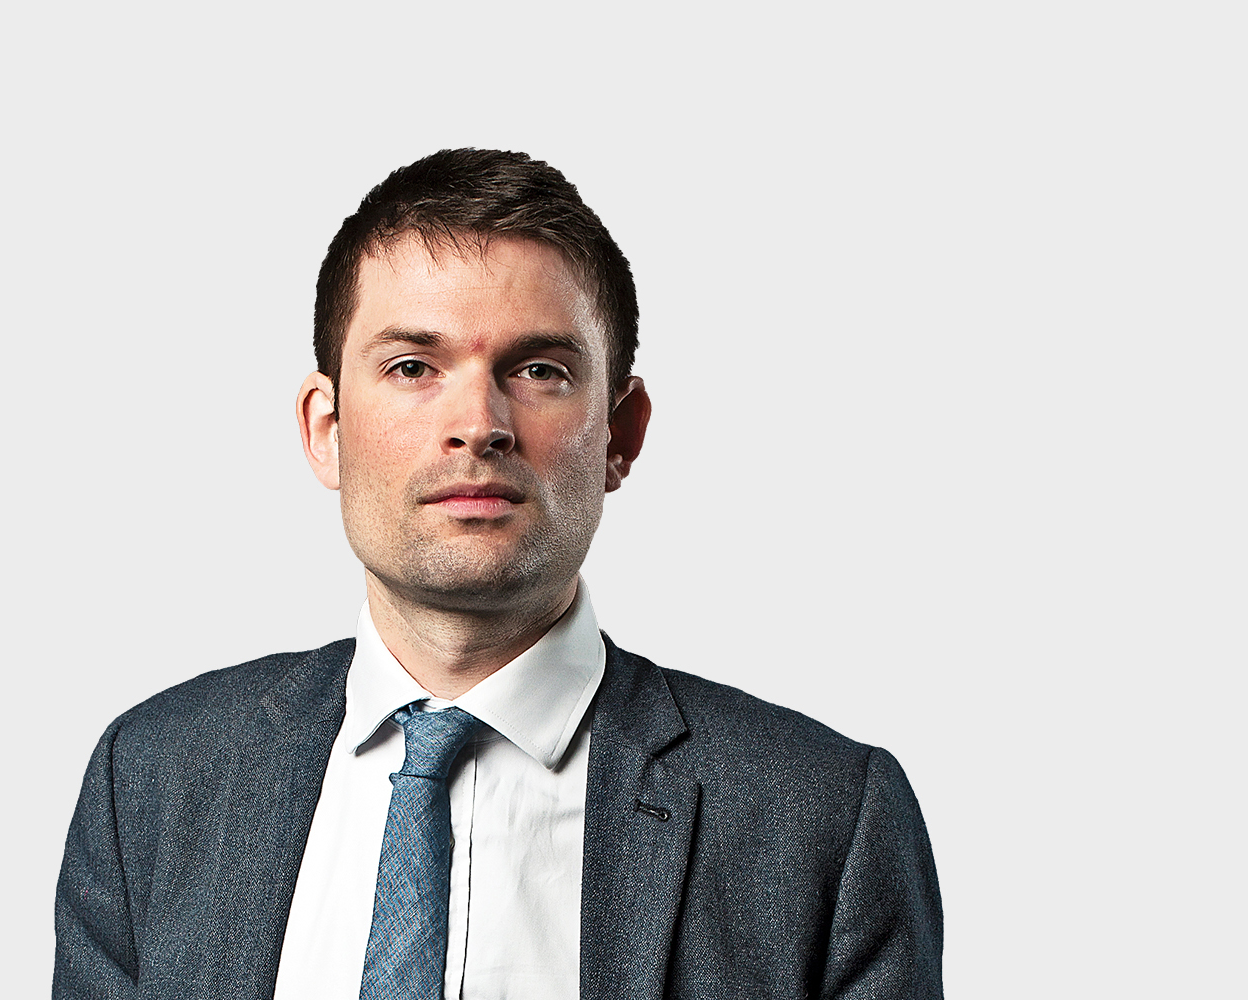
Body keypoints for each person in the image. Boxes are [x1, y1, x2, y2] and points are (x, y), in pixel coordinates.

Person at [53, 148, 943, 1000]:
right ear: (326, 429)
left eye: (539, 370)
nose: (478, 423)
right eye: (413, 367)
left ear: (621, 435)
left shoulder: (824, 821)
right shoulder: (152, 781)